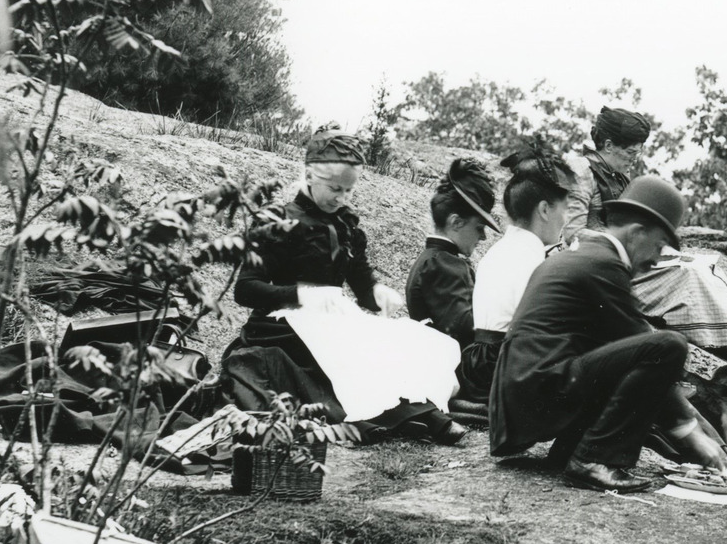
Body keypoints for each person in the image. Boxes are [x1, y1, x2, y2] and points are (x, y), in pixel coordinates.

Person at [223, 130, 465, 444]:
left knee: (399, 340)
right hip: (281, 325)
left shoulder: (346, 225)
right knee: (346, 351)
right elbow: (245, 290)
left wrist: (377, 294)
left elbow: (362, 286)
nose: (342, 198)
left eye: (349, 190)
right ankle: (382, 421)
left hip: (333, 320)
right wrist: (302, 295)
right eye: (335, 188)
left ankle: (427, 414)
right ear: (310, 175)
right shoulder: (275, 221)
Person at [490, 175, 727, 493]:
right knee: (669, 346)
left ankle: (571, 450)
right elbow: (647, 351)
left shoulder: (584, 256)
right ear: (636, 233)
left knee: (628, 354)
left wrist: (697, 429)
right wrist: (693, 433)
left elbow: (616, 357)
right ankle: (593, 459)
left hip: (521, 398)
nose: (658, 257)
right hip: (538, 392)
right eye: (658, 245)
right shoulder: (604, 265)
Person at [563, 104, 727, 370]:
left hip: (628, 254)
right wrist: (618, 244)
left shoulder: (619, 174)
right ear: (607, 144)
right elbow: (571, 232)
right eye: (630, 151)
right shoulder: (581, 169)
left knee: (704, 266)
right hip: (596, 260)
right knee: (688, 275)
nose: (634, 158)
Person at [468, 137, 578, 403]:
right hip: (505, 367)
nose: (566, 219)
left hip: (478, 365)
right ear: (544, 210)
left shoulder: (499, 251)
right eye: (565, 209)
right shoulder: (533, 260)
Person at [405, 158, 501, 414]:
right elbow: (464, 326)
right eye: (479, 227)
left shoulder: (438, 260)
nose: (482, 236)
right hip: (460, 370)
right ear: (456, 222)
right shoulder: (443, 264)